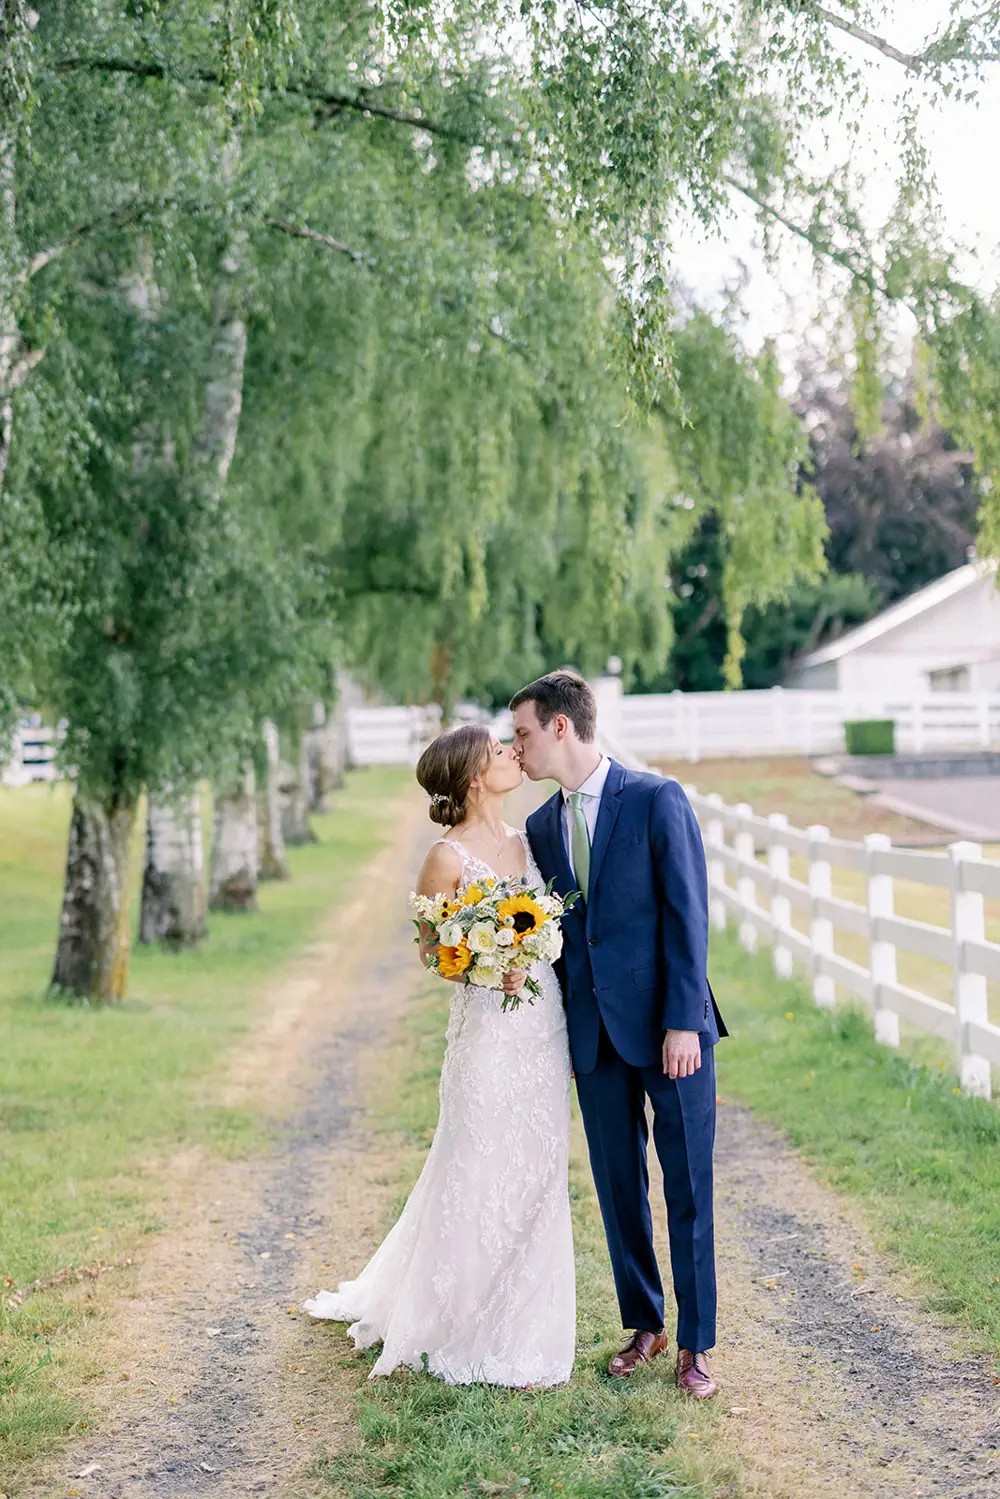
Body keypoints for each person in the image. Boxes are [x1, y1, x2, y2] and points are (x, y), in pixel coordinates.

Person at [303, 724, 575, 1388]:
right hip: (486, 1028)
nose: (514, 754)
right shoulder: (446, 857)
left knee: (537, 1170)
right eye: (500, 750)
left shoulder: (528, 841)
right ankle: (451, 1321)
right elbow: (431, 951)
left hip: (542, 1024)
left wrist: (535, 949)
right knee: (474, 1164)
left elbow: (551, 924)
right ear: (475, 775)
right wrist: (487, 967)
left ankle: (522, 1326)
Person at [512, 670, 726, 1399]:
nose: (518, 748)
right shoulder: (543, 827)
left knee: (688, 1186)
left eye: (524, 734)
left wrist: (682, 1020)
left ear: (562, 727)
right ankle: (646, 1323)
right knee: (617, 1185)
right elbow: (560, 935)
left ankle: (696, 1345)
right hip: (595, 1037)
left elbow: (687, 915)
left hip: (673, 1031)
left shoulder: (656, 798)